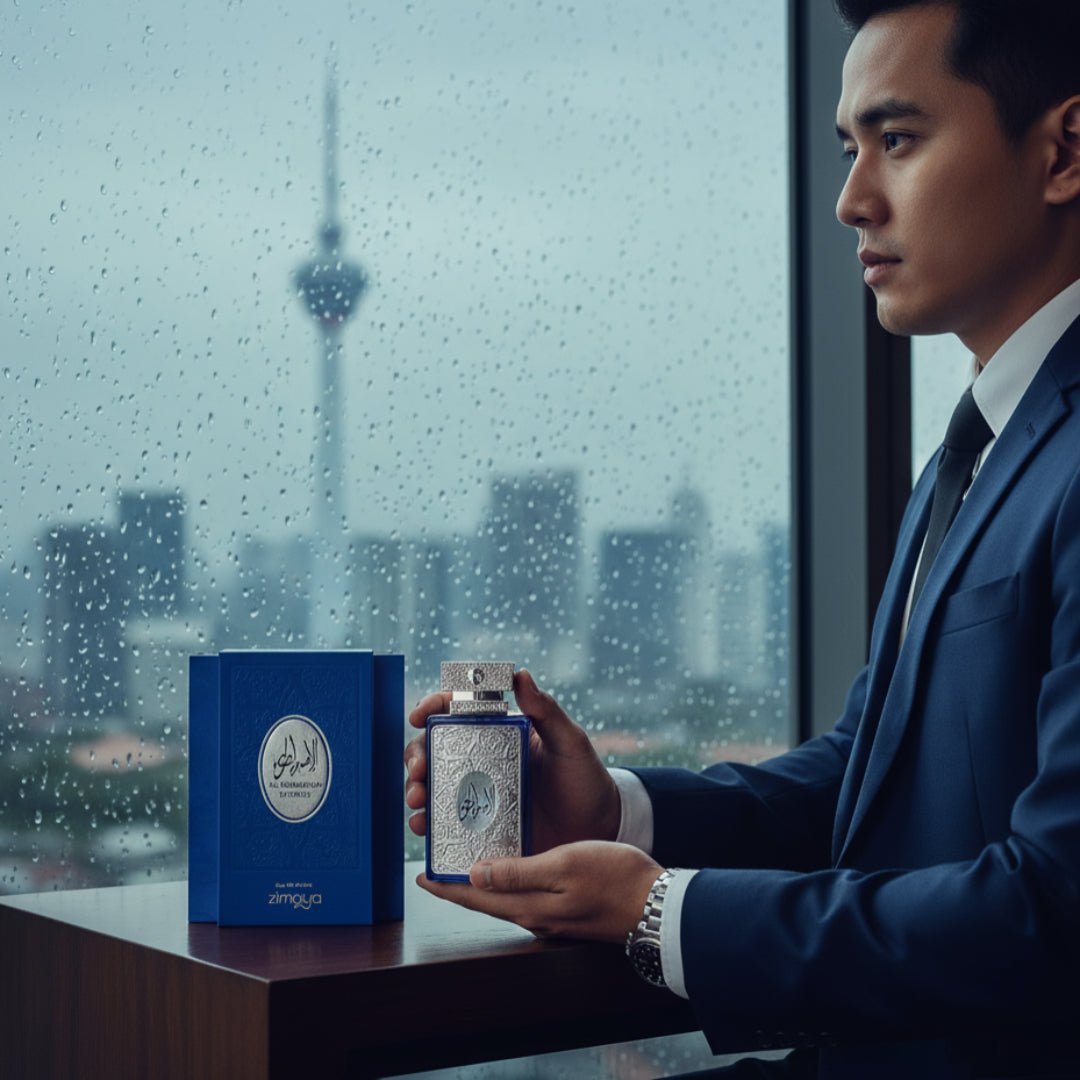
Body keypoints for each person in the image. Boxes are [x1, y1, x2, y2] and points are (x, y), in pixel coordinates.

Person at [404, 2, 1080, 1076]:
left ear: (1062, 152)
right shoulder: (978, 450)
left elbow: (1055, 909)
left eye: (897, 141)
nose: (852, 200)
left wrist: (664, 913)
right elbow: (870, 772)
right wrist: (623, 809)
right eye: (850, 148)